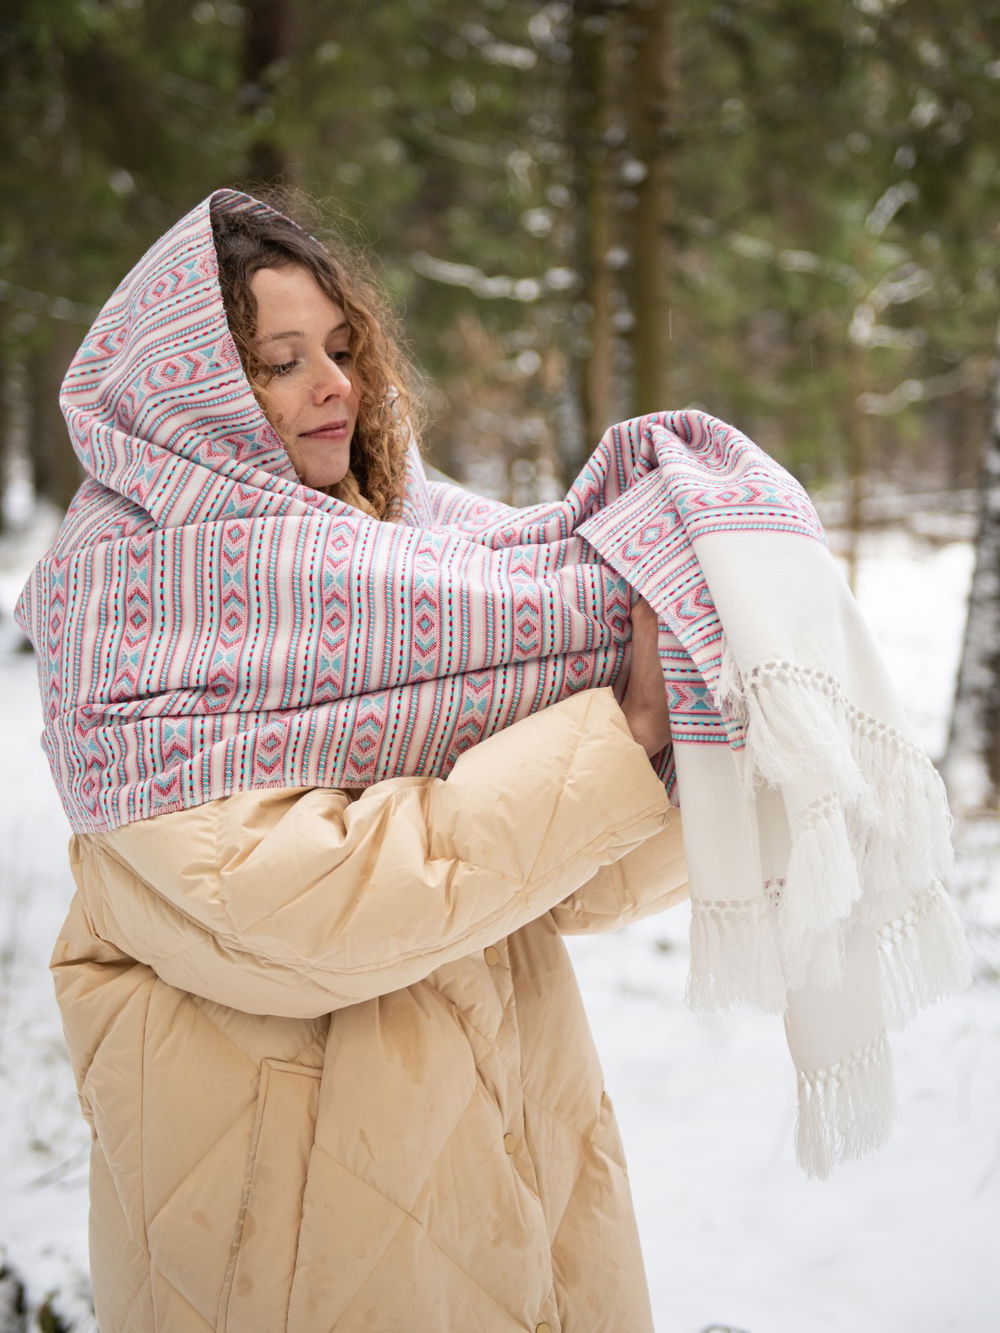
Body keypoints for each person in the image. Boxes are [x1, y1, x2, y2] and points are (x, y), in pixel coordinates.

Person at [35, 192, 689, 1332]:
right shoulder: (132, 613)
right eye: (277, 364)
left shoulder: (417, 571)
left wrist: (687, 727)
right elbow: (295, 910)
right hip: (294, 1237)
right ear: (186, 402)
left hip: (506, 1164)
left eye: (340, 349)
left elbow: (554, 880)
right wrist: (612, 745)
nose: (335, 384)